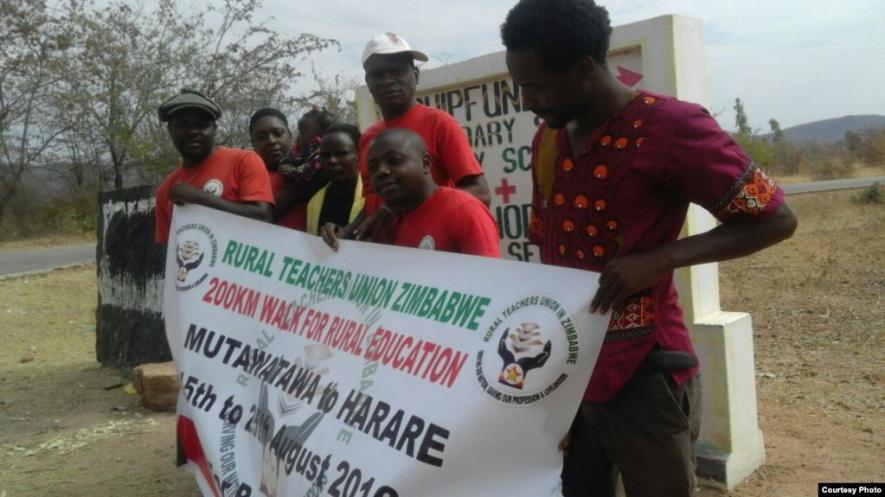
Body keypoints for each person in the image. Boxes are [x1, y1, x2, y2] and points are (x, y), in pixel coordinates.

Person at [500, 1, 798, 496]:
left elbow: (775, 219)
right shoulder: (548, 141)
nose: (526, 100)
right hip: (566, 368)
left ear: (584, 69)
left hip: (644, 371)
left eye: (534, 86)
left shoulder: (671, 128)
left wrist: (662, 259)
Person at [351, 32, 491, 239]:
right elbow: (373, 202)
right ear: (368, 82)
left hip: (427, 250)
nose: (387, 81)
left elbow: (480, 193)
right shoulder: (369, 137)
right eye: (377, 74)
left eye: (396, 71)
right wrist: (349, 229)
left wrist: (394, 210)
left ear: (415, 75)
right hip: (382, 255)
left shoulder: (440, 124)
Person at [322, 128, 499, 258]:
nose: (382, 172)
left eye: (395, 161)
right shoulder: (387, 223)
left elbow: (489, 288)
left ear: (426, 163)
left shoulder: (465, 212)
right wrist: (338, 240)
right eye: (373, 168)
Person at [154, 89, 273, 244]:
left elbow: (263, 218)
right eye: (183, 125)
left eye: (202, 125)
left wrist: (198, 197)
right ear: (170, 130)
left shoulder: (244, 160)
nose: (193, 132)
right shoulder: (165, 190)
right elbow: (166, 248)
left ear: (214, 129)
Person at [271, 109, 336, 230]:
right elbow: (291, 158)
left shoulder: (321, 153)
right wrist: (286, 165)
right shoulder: (302, 151)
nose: (298, 137)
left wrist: (293, 171)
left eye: (303, 132)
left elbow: (308, 170)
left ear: (321, 135)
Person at [305, 123, 365, 235]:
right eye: (325, 155)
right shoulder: (314, 203)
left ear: (359, 154)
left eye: (341, 154)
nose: (332, 161)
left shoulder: (373, 197)